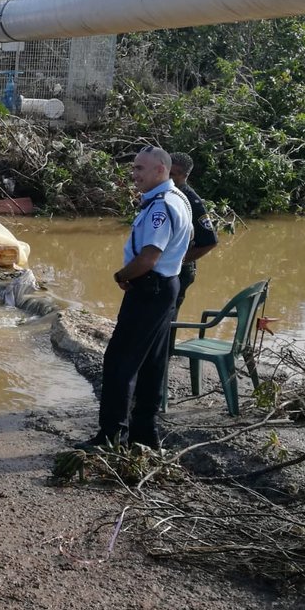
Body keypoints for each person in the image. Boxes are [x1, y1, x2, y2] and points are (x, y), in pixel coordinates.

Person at [83, 146, 192, 451]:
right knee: (152, 363)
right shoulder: (178, 199)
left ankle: (111, 437)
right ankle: (145, 434)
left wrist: (122, 276)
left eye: (140, 169)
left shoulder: (161, 206)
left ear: (161, 170)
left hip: (149, 288)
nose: (134, 175)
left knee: (120, 362)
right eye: (133, 168)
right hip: (165, 286)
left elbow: (149, 257)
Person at [169, 152, 218, 316]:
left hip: (180, 271)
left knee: (168, 318)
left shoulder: (192, 201)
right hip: (164, 268)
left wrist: (179, 260)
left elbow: (210, 242)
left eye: (172, 174)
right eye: (165, 171)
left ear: (185, 175)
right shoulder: (166, 194)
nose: (167, 177)